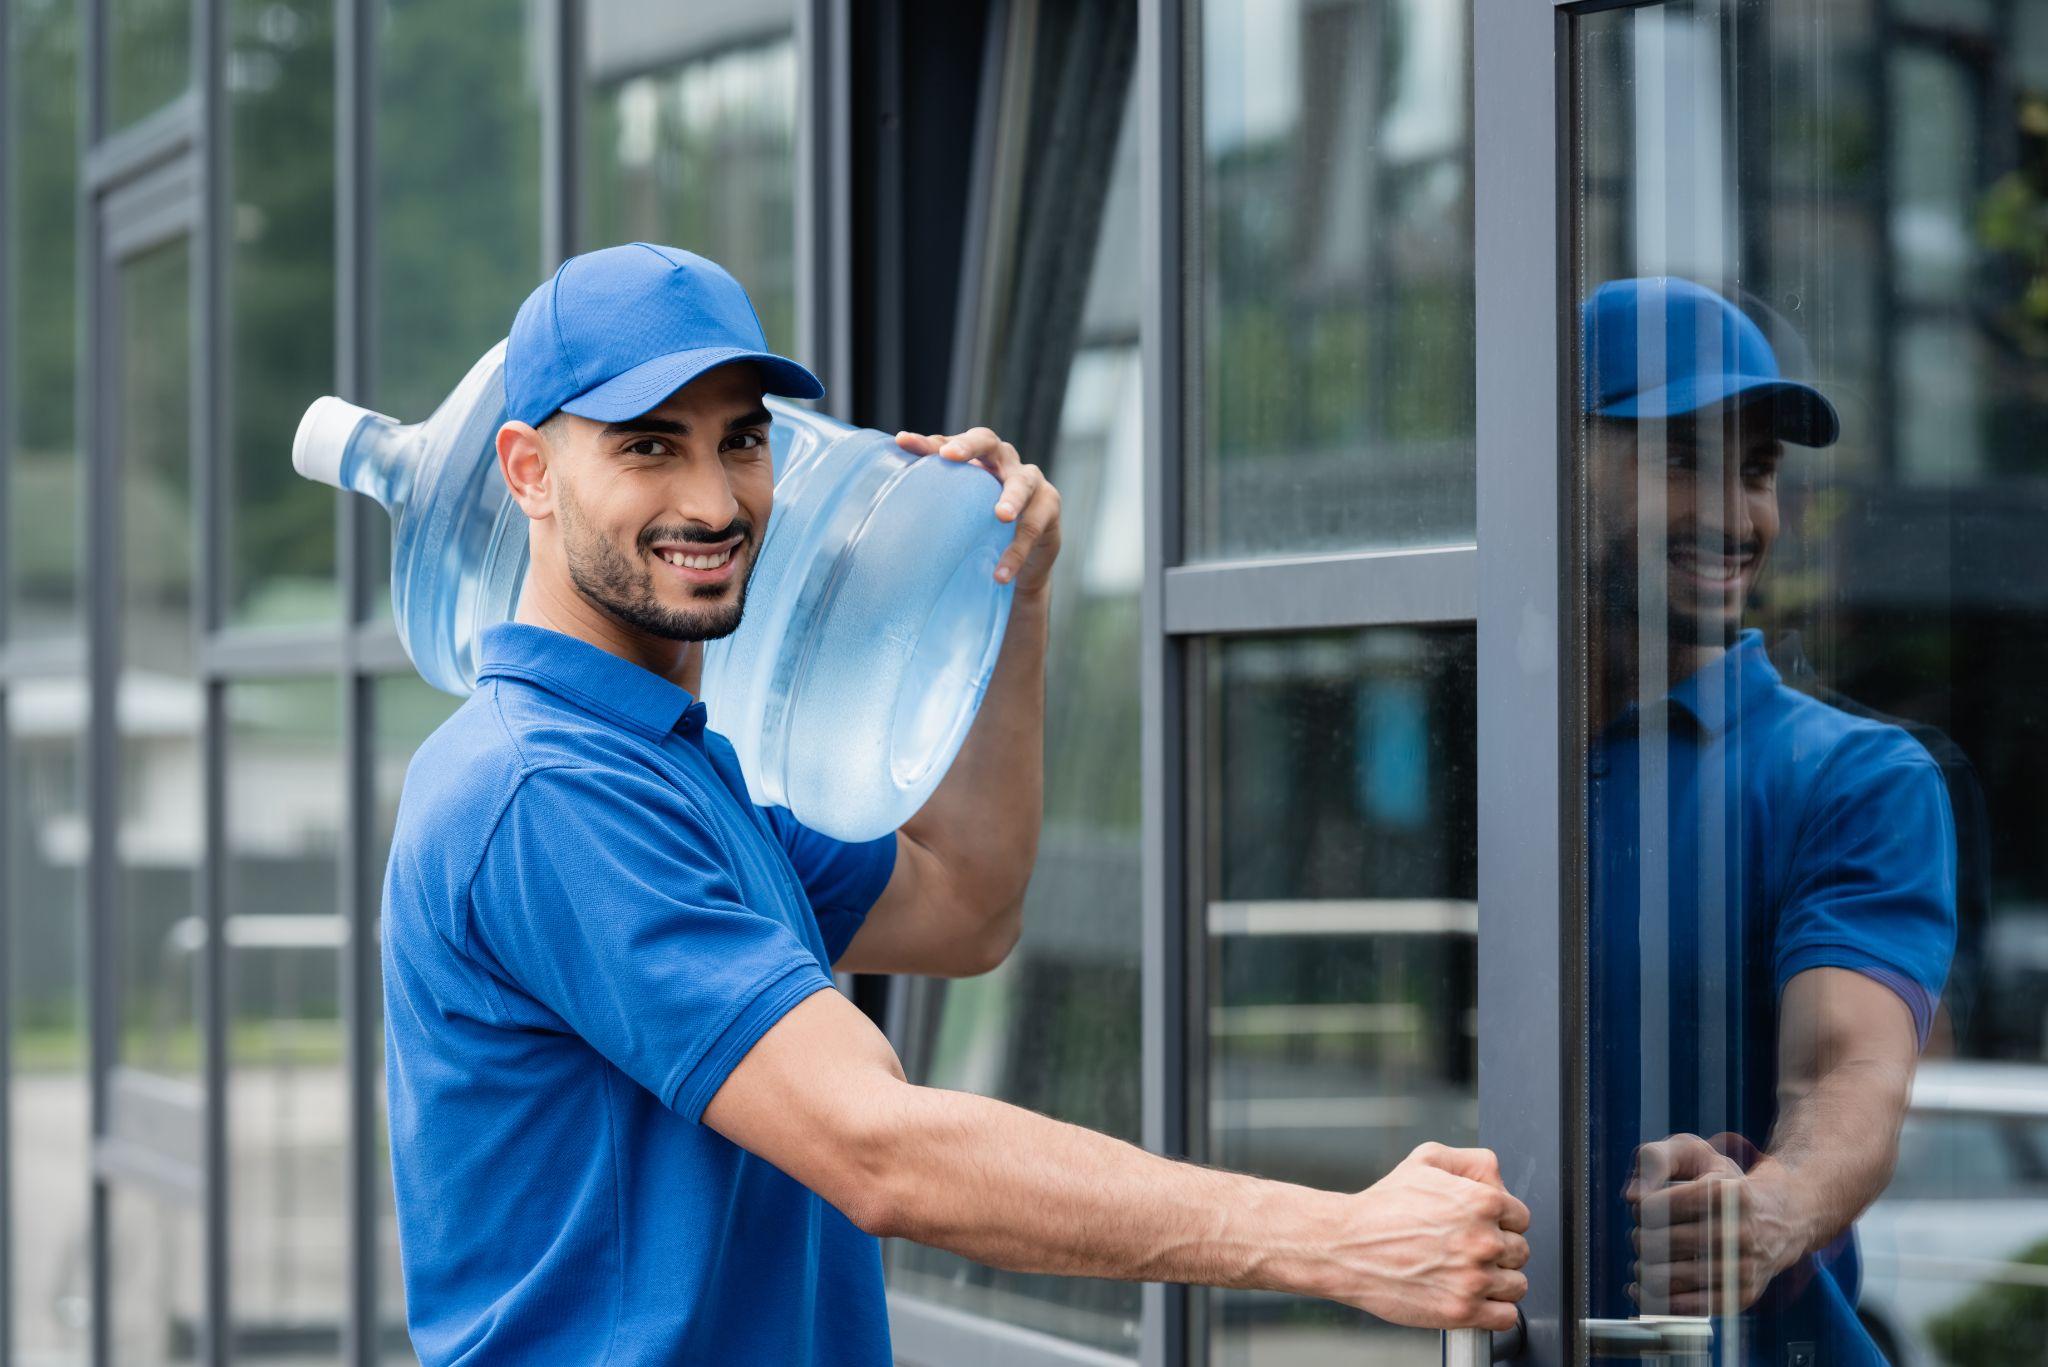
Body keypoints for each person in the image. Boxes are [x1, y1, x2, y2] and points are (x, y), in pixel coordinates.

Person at [379, 242, 1530, 1364]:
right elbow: (878, 1149)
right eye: (647, 446)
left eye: (741, 441)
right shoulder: (546, 790)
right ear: (527, 470)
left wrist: (1011, 598)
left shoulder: (665, 762)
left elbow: (962, 905)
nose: (714, 498)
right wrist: (1334, 1239)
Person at [1580, 277, 1958, 1363]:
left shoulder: (1857, 775)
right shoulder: (1514, 766)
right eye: (1679, 458)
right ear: (1553, 462)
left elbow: (1847, 1072)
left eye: (1754, 471)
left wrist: (1771, 1207)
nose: (1732, 515)